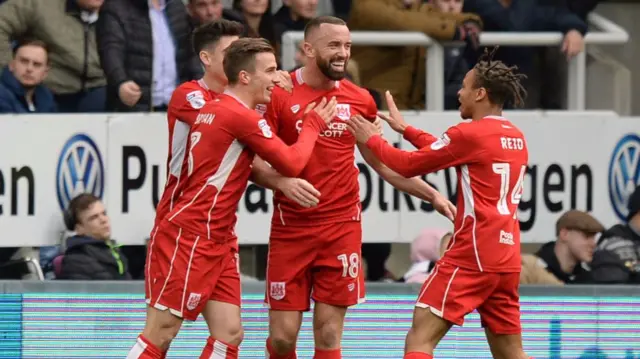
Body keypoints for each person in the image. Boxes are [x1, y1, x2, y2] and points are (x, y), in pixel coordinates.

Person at [250, 16, 456, 359]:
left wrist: (432, 194)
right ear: (307, 49)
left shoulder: (360, 100)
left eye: (347, 46)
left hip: (341, 228)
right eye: (333, 45)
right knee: (283, 338)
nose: (343, 53)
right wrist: (282, 181)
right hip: (292, 230)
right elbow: (252, 162)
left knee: (329, 334)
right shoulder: (279, 93)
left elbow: (384, 163)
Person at [125, 37, 337, 359]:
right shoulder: (240, 116)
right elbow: (293, 162)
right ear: (245, 77)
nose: (277, 77)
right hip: (191, 233)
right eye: (270, 70)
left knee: (229, 333)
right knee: (162, 331)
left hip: (219, 237)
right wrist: (314, 124)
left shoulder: (220, 109)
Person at [347, 47, 532, 359]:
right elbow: (446, 149)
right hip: (507, 256)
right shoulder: (515, 136)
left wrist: (371, 139)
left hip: (472, 253)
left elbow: (406, 166)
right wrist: (406, 130)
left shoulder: (470, 134)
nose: (459, 93)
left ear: (480, 94)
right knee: (510, 354)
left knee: (420, 338)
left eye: (464, 86)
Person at [155, 19, 323, 229]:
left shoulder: (251, 100)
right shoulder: (190, 96)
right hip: (182, 216)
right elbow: (238, 131)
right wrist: (280, 181)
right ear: (206, 58)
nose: (238, 57)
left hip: (221, 223)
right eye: (230, 51)